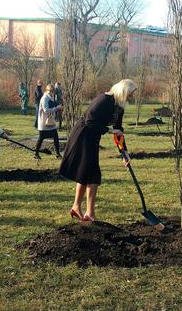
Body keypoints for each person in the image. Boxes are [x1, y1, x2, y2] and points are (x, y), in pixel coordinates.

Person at [60, 79, 137, 222]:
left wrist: (124, 153)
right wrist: (109, 130)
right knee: (93, 174)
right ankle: (90, 213)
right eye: (130, 94)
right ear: (123, 91)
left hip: (93, 138)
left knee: (85, 172)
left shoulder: (119, 106)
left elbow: (118, 131)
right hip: (83, 136)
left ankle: (76, 207)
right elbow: (89, 121)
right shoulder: (104, 100)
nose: (131, 97)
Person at [35, 84, 64, 159]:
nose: (51, 92)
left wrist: (58, 107)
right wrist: (56, 108)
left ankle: (58, 154)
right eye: (50, 91)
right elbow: (46, 110)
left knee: (56, 137)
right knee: (41, 138)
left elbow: (53, 106)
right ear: (46, 90)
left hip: (50, 123)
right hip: (44, 123)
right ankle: (36, 154)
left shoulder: (50, 98)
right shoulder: (45, 98)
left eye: (52, 91)